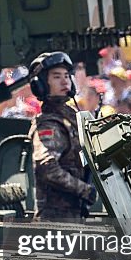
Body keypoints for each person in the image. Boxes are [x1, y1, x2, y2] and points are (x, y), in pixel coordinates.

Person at [28, 52, 95, 221]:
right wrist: (82, 189)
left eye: (66, 76)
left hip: (73, 216)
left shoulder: (69, 117)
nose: (65, 81)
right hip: (55, 221)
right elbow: (47, 168)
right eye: (57, 77)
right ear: (41, 84)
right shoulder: (49, 124)